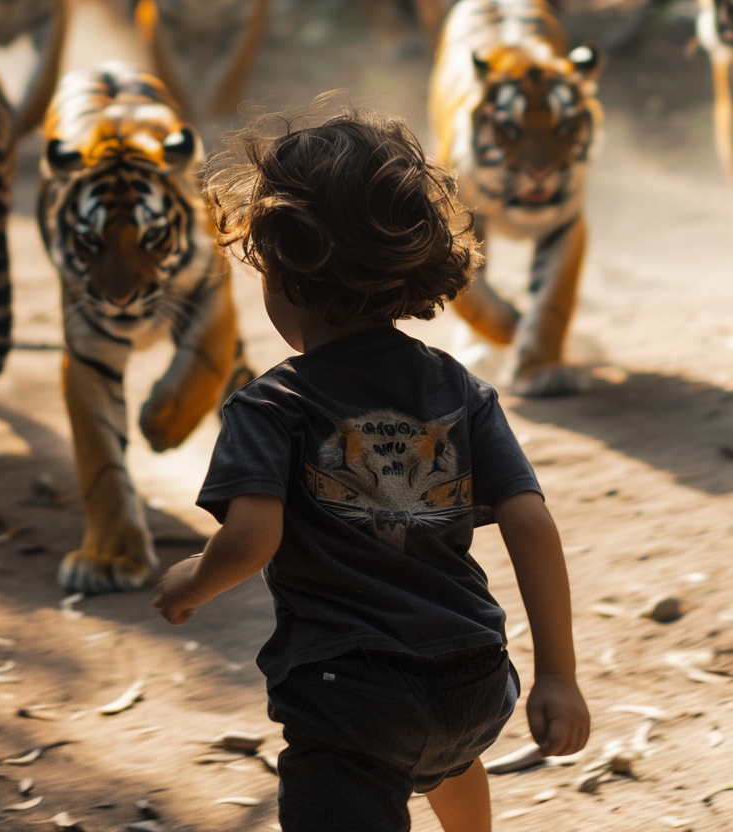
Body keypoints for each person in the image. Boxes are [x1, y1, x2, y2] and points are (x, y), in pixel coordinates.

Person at [153, 108, 590, 832]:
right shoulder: (459, 388)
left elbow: (252, 538)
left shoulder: (272, 406)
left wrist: (190, 583)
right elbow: (530, 519)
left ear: (281, 272)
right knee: (448, 760)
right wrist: (559, 676)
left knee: (363, 767)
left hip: (348, 696)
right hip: (473, 679)